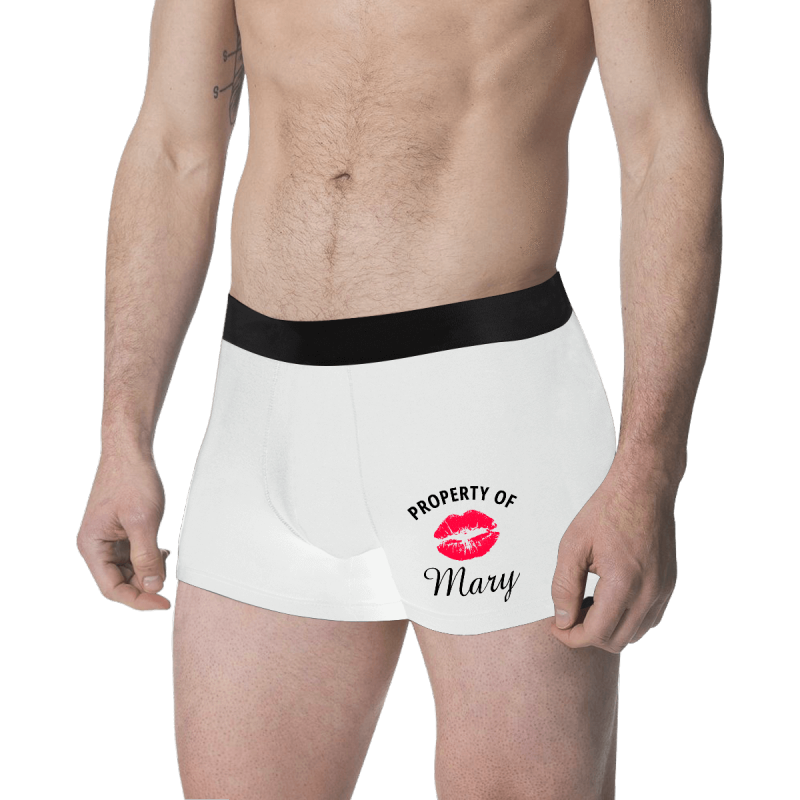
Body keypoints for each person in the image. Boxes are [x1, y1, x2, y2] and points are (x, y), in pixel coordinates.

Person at [76, 1, 722, 797]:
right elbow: (174, 145)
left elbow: (666, 141)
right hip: (262, 411)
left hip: (491, 405)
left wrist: (649, 469)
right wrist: (123, 434)